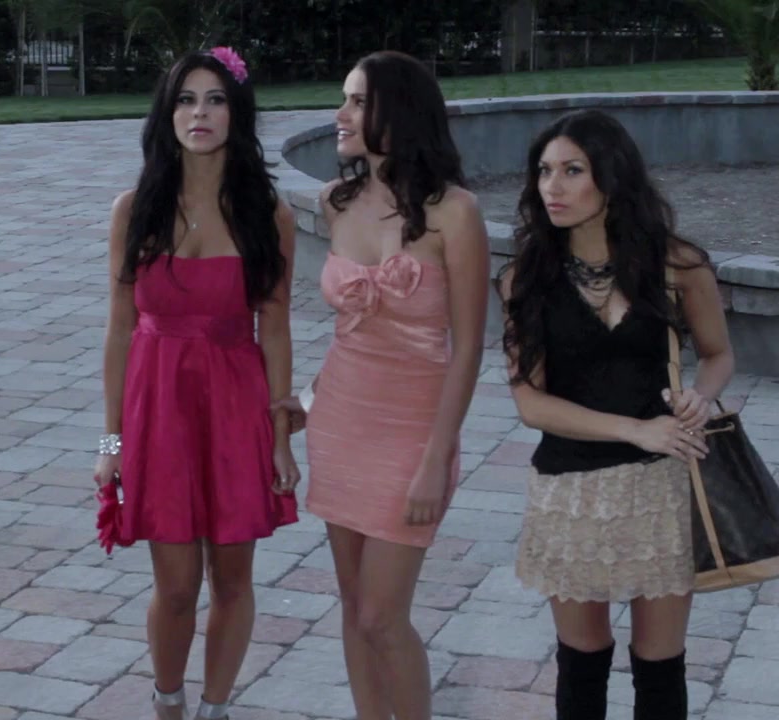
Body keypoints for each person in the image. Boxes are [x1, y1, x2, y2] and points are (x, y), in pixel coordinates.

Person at [498, 109, 735, 720]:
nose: (552, 187)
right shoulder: (526, 277)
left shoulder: (677, 265)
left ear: (612, 175)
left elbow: (718, 355)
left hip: (661, 488)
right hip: (570, 490)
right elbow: (529, 402)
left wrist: (701, 396)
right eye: (544, 171)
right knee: (581, 662)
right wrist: (635, 430)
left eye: (572, 170)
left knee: (660, 667)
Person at [277, 50, 489, 720]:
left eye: (358, 101)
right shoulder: (335, 202)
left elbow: (468, 349)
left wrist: (436, 459)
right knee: (352, 606)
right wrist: (307, 402)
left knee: (381, 615)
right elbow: (352, 336)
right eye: (344, 99)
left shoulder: (456, 213)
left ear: (400, 113)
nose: (340, 114)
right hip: (340, 425)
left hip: (413, 437)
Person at [94, 46, 300, 720]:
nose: (199, 113)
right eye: (186, 100)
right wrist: (110, 444)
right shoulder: (134, 210)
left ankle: (215, 707)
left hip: (237, 406)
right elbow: (119, 331)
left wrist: (279, 436)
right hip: (159, 412)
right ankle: (168, 702)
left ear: (236, 114)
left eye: (215, 100)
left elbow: (275, 329)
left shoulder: (268, 213)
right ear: (167, 114)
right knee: (177, 584)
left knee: (232, 578)